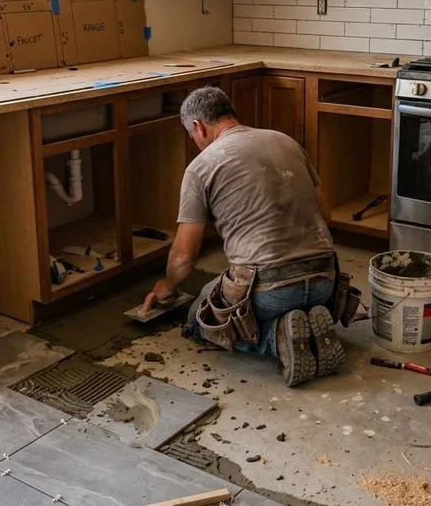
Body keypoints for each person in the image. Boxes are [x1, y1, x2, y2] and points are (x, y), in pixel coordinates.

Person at [138, 86, 344, 387]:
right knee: (225, 288)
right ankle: (309, 329)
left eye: (192, 135)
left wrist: (166, 287)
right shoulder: (285, 141)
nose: (195, 142)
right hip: (326, 280)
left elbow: (183, 257)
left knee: (199, 320)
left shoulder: (201, 167)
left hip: (270, 291)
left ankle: (277, 340)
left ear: (198, 126)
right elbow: (325, 216)